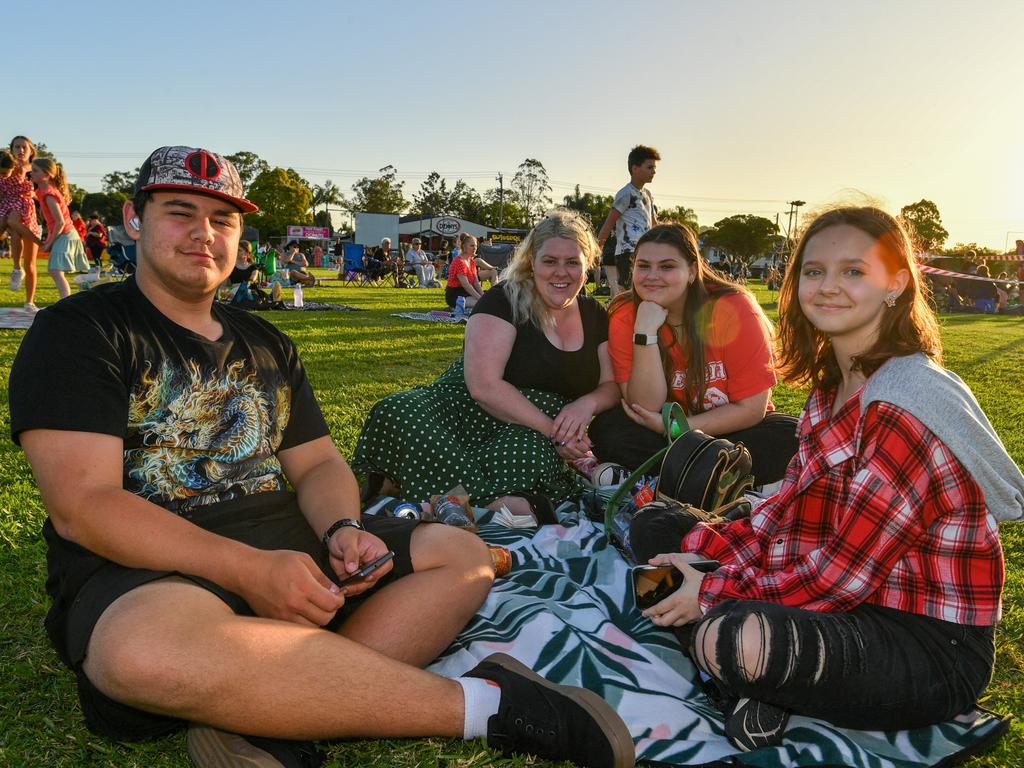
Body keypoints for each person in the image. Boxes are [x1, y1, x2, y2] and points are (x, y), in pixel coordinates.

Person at [7, 146, 634, 768]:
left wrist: (343, 527)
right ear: (132, 220)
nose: (204, 233)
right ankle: (493, 709)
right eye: (180, 212)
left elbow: (319, 466)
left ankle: (263, 711)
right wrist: (251, 571)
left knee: (464, 556)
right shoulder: (80, 329)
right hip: (152, 560)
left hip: (284, 532)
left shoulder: (267, 341)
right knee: (139, 654)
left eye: (222, 219)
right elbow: (84, 508)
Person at [630, 206, 1021, 753]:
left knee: (733, 635)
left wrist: (711, 586)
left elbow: (843, 575)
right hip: (827, 587)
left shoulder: (906, 402)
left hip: (922, 642)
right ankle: (756, 680)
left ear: (897, 284)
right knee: (653, 527)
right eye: (814, 272)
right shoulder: (831, 387)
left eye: (853, 271)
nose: (828, 286)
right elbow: (790, 511)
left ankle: (740, 668)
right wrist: (703, 549)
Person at [355, 210, 621, 516]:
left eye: (572, 262)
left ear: (586, 266)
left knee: (528, 454)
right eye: (550, 261)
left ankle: (414, 488)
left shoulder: (594, 315)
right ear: (532, 262)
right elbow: (483, 386)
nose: (561, 272)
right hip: (462, 408)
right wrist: (555, 432)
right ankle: (486, 502)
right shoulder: (503, 299)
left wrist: (584, 405)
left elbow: (611, 385)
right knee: (399, 410)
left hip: (526, 427)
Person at [589, 224, 798, 486]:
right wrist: (644, 333)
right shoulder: (625, 315)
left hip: (730, 429)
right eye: (643, 266)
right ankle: (714, 479)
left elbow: (752, 409)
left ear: (691, 271)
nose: (652, 276)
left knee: (790, 435)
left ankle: (674, 477)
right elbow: (644, 406)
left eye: (667, 267)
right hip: (657, 430)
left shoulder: (734, 308)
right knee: (608, 429)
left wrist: (677, 430)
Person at [596, 145, 660, 297]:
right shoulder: (625, 194)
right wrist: (597, 248)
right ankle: (619, 318)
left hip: (644, 250)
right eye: (649, 167)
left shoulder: (648, 195)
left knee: (644, 290)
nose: (654, 171)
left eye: (654, 168)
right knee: (627, 292)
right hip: (627, 251)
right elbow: (609, 222)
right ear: (635, 168)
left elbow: (654, 224)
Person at [31, 158, 91, 299]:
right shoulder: (43, 191)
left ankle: (66, 303)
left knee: (55, 270)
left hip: (65, 234)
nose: (31, 173)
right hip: (64, 234)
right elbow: (35, 196)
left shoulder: (50, 195)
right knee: (56, 271)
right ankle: (67, 302)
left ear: (47, 174)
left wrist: (49, 243)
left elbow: (60, 222)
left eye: (35, 171)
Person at [6, 136, 42, 310]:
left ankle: (29, 301)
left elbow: (45, 192)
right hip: (10, 211)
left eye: (23, 147)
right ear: (11, 149)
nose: (20, 150)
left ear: (30, 150)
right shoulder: (7, 167)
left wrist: (33, 195)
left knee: (30, 263)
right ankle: (15, 268)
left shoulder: (35, 169)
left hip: (30, 215)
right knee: (13, 229)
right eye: (16, 147)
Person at [446, 233, 485, 309]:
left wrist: (483, 296)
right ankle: (454, 307)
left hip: (466, 292)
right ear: (464, 246)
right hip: (455, 294)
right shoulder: (459, 261)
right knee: (481, 304)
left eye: (476, 246)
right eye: (472, 246)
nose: (475, 248)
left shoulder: (471, 261)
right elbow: (466, 285)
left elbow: (476, 282)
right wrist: (481, 299)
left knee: (486, 302)